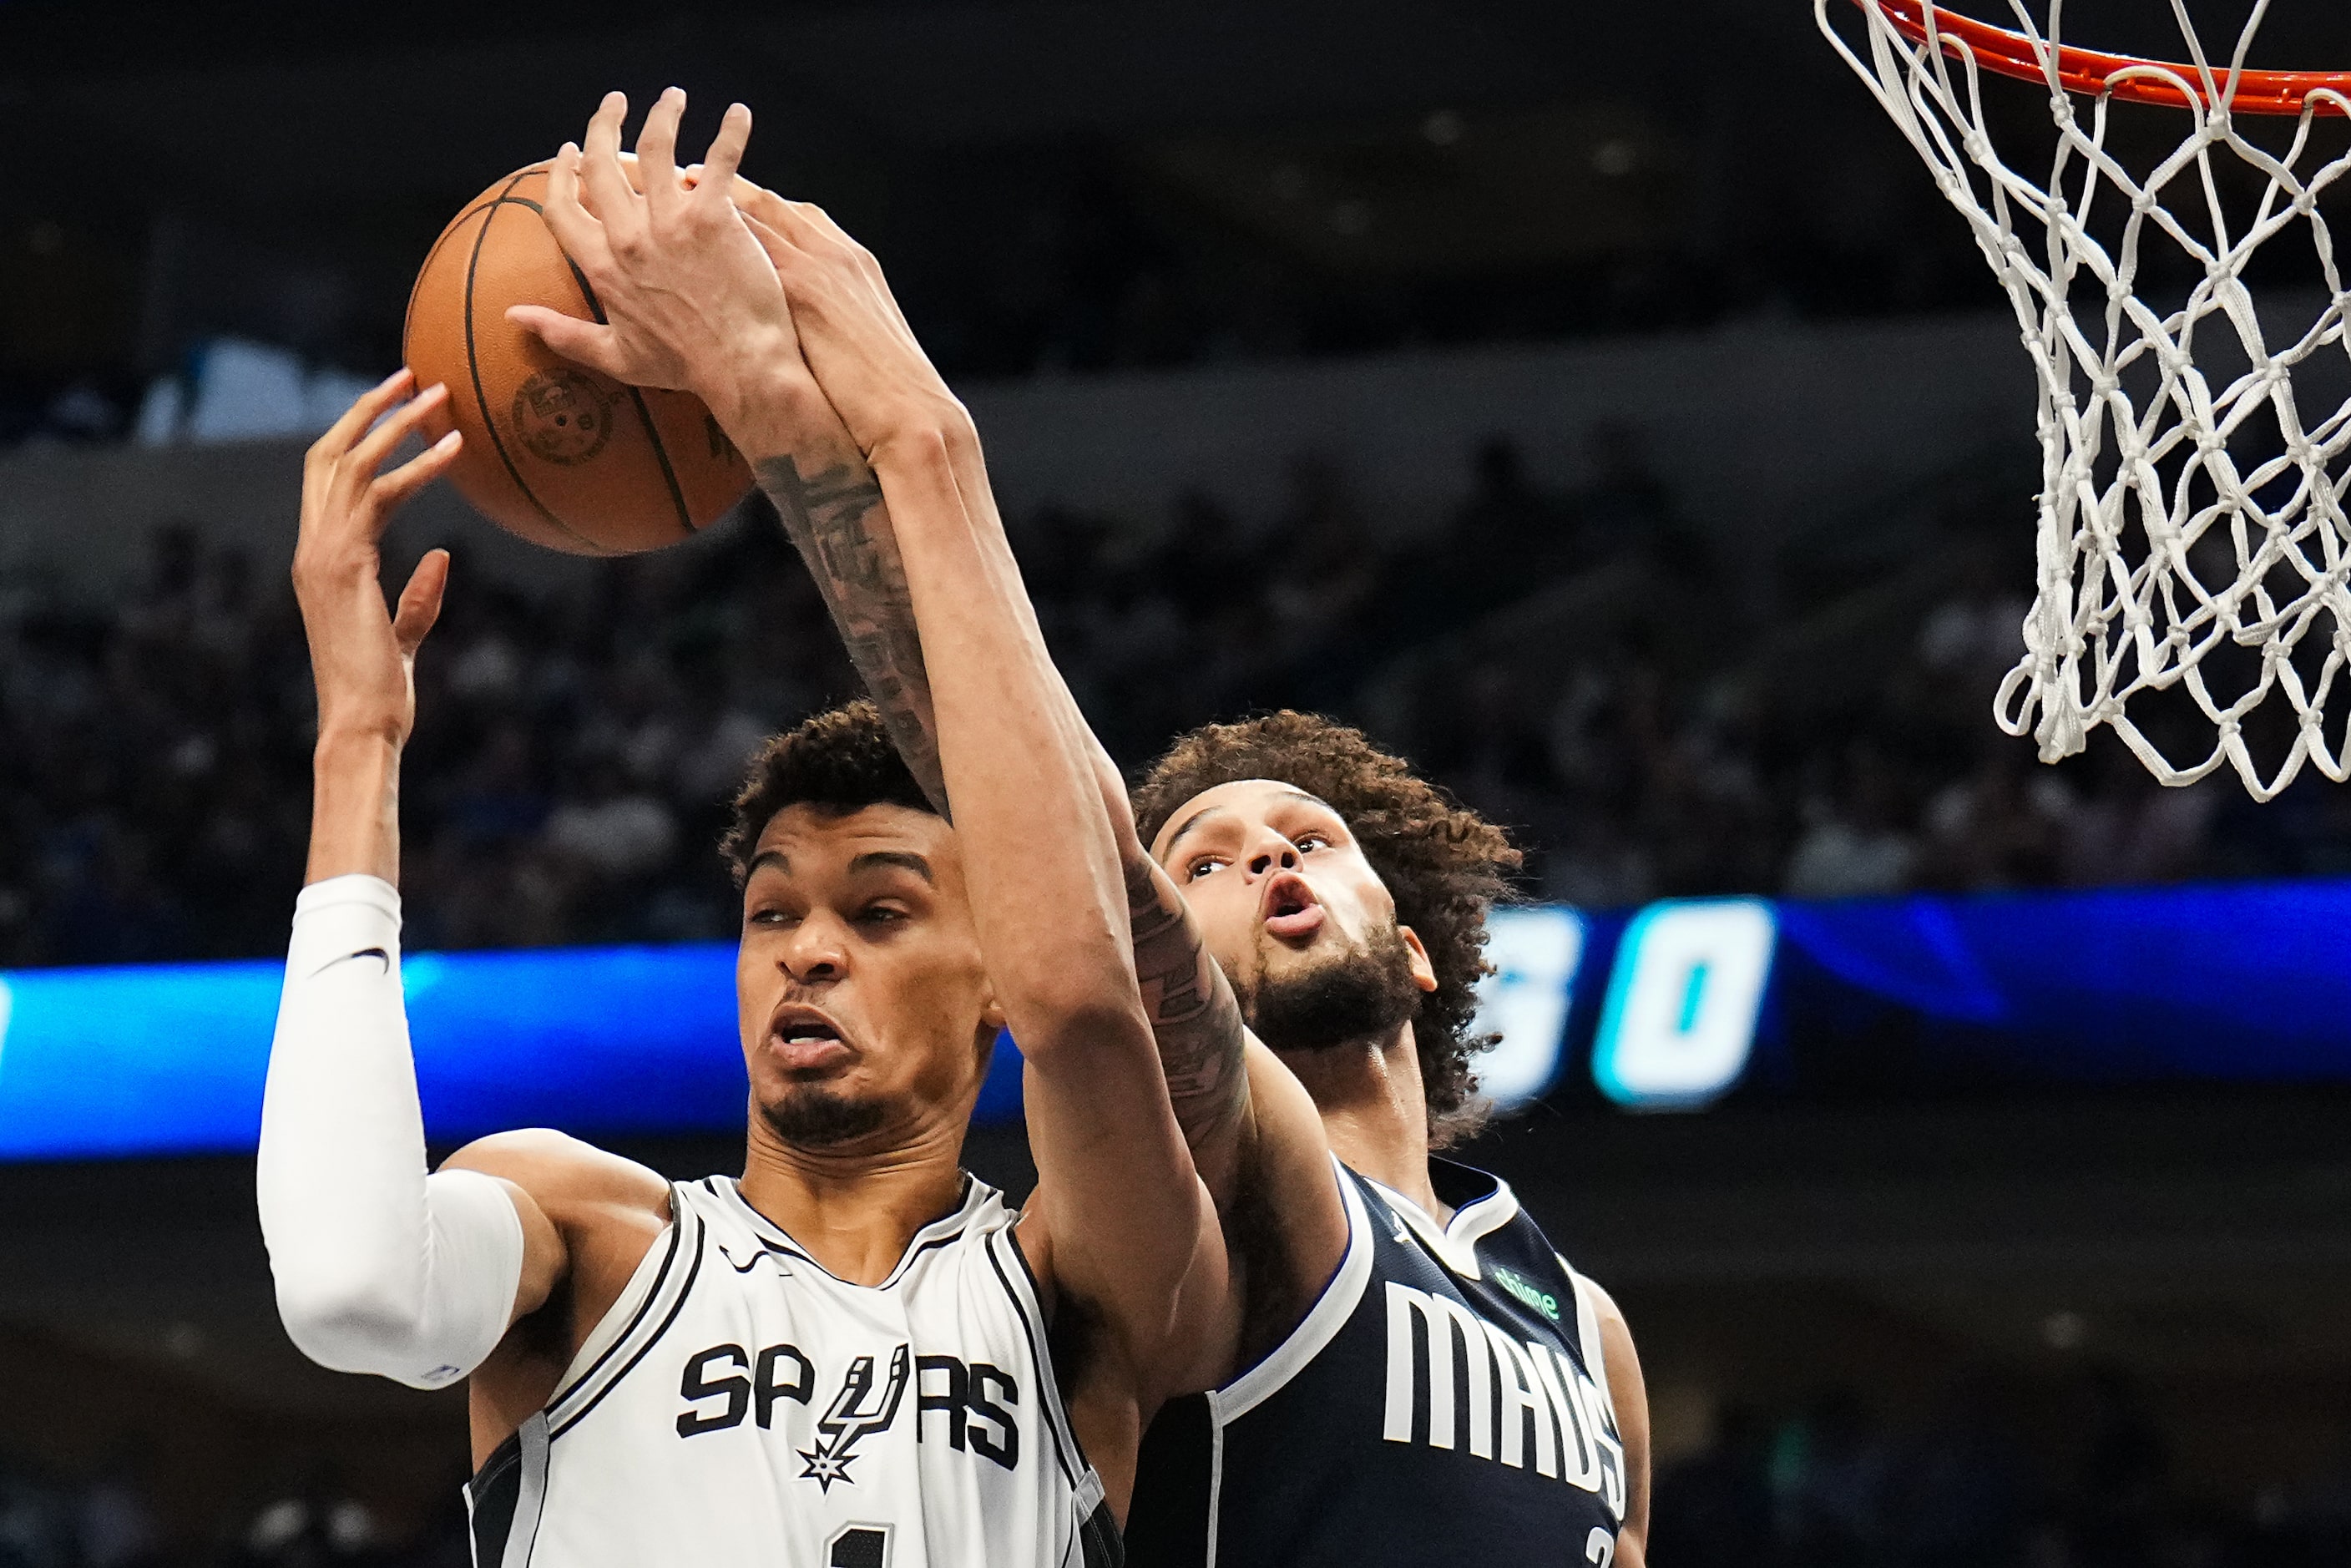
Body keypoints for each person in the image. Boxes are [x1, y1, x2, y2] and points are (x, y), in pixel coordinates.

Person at [580, 124, 1655, 1567]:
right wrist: (842, 429)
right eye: (1199, 864)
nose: (1263, 863)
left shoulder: (1583, 1322)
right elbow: (1076, 875)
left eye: (1309, 839)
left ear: (1412, 944)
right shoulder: (1241, 1176)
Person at [257, 89, 1232, 1567]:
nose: (807, 952)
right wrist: (360, 742)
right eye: (774, 910)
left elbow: (1089, 1008)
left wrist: (910, 432)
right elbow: (346, 1286)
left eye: (882, 908)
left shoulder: (1077, 1281)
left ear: (995, 973)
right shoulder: (594, 1237)